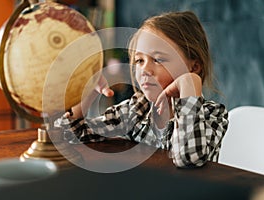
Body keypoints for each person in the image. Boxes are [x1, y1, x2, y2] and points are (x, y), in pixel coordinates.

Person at [55, 11, 228, 168]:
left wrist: (190, 85)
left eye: (158, 60)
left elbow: (189, 159)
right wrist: (86, 92)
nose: (145, 69)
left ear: (194, 66)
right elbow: (68, 135)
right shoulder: (137, 109)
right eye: (139, 61)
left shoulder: (213, 115)